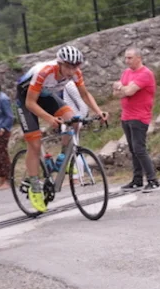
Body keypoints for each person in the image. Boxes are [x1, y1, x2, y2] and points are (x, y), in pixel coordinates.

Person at [17, 47, 108, 212]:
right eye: (68, 67)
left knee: (75, 121)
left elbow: (85, 95)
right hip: (27, 100)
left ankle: (63, 158)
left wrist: (98, 111)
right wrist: (49, 118)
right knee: (34, 144)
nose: (71, 71)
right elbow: (30, 103)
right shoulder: (45, 72)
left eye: (75, 67)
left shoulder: (76, 73)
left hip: (46, 96)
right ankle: (35, 187)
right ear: (59, 63)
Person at [114, 47, 159, 192]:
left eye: (130, 58)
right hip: (126, 115)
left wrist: (121, 87)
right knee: (133, 149)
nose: (127, 61)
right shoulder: (126, 73)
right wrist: (122, 88)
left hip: (139, 116)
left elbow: (128, 91)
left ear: (139, 58)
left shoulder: (145, 74)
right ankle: (137, 179)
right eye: (126, 58)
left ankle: (152, 180)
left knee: (139, 148)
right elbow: (116, 93)